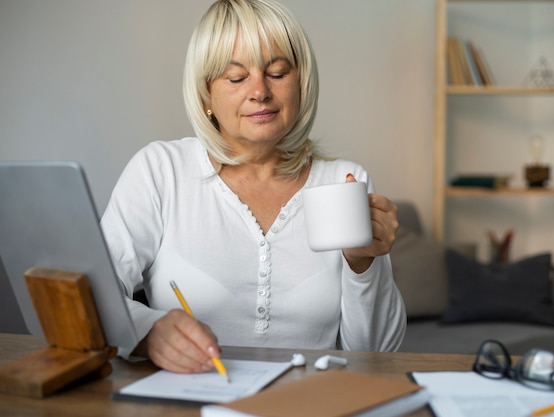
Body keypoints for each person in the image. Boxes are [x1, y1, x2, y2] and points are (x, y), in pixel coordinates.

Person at [101, 0, 406, 374]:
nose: (260, 91)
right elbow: (94, 296)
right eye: (236, 77)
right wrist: (148, 331)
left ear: (301, 82)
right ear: (205, 95)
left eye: (277, 72)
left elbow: (377, 354)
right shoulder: (160, 170)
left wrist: (363, 265)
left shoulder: (345, 182)